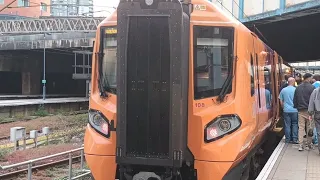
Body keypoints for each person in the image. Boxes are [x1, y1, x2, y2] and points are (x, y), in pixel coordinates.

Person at [294, 73, 315, 151]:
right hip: (310, 111)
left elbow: (295, 99)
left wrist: (297, 107)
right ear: (308, 78)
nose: (311, 80)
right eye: (311, 78)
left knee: (301, 128)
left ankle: (300, 145)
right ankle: (309, 144)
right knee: (310, 127)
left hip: (300, 111)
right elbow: (314, 100)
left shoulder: (298, 88)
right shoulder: (312, 87)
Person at [279, 77, 298, 143]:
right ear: (293, 82)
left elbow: (281, 101)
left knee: (287, 125)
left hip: (286, 110)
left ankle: (287, 139)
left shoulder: (283, 90)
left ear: (288, 82)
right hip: (295, 110)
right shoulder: (296, 89)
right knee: (295, 124)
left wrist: (283, 107)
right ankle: (295, 139)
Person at [308, 86, 320, 154]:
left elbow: (311, 103)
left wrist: (310, 114)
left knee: (319, 132)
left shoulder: (315, 91)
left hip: (318, 113)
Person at [312, 74, 320, 146]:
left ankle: (316, 140)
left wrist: (310, 113)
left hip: (317, 111)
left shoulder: (313, 86)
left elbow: (311, 101)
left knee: (317, 127)